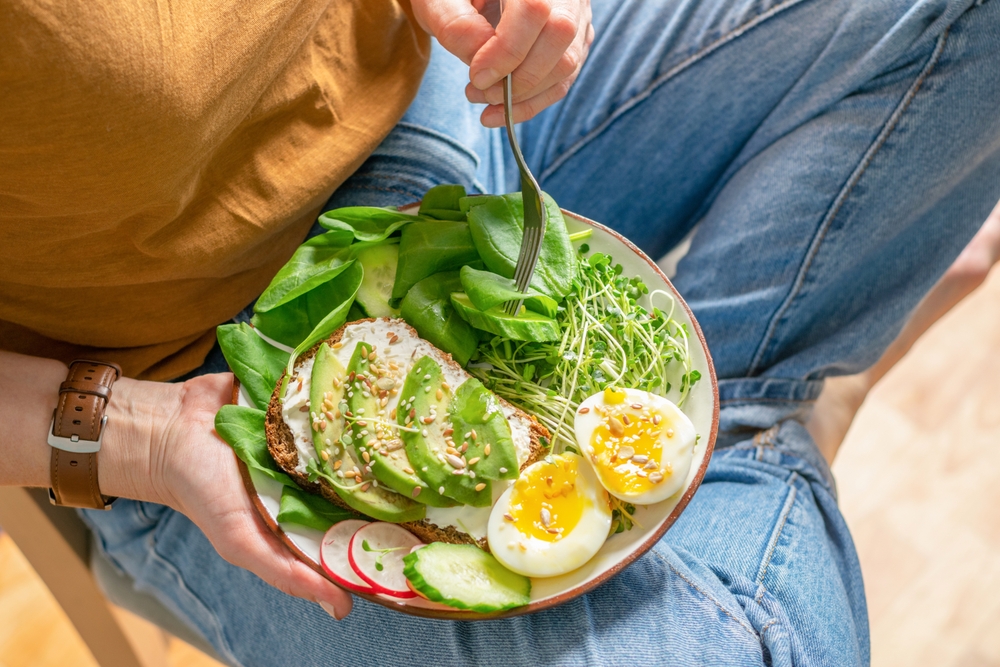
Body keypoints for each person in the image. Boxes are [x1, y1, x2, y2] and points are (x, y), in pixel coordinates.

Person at [2, 0, 999, 664]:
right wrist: (133, 435)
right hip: (197, 387)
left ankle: (724, 419)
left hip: (442, 103)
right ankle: (750, 412)